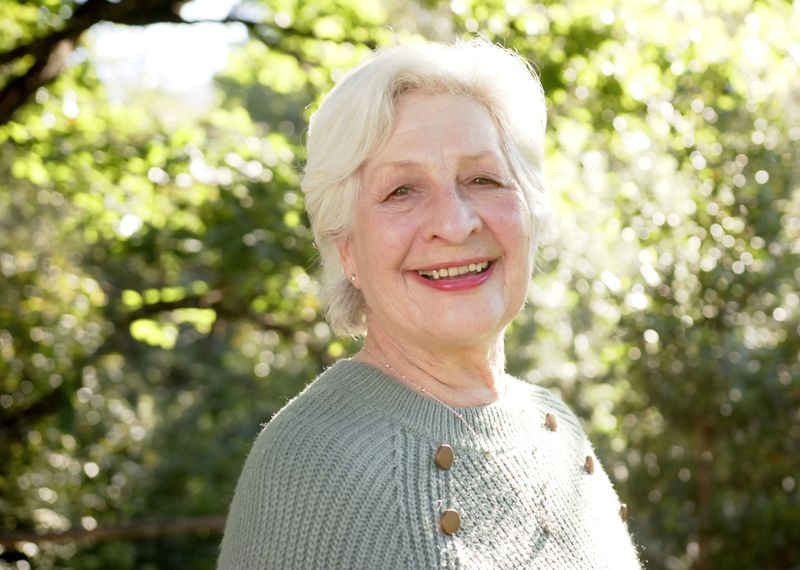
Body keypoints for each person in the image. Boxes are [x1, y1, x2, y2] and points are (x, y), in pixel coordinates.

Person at [217, 38, 641, 569]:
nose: (454, 223)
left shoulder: (554, 425)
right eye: (402, 191)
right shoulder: (311, 459)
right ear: (345, 246)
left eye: (483, 179)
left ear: (529, 212)